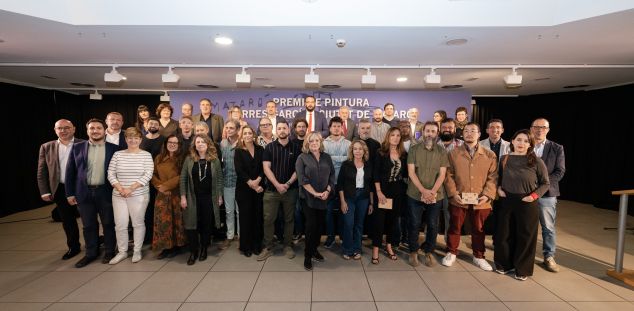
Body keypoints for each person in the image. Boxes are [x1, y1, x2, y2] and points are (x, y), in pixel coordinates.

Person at [495, 129, 550, 281]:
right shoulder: (504, 159)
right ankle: (504, 264)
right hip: (506, 200)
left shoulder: (536, 161)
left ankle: (522, 269)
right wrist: (499, 189)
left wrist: (533, 196)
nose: (522, 143)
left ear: (530, 144)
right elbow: (499, 179)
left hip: (527, 202)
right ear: (512, 141)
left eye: (526, 141)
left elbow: (545, 183)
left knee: (525, 236)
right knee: (504, 234)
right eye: (519, 140)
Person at [442, 122, 498, 271]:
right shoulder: (453, 153)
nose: (469, 133)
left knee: (478, 229)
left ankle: (479, 256)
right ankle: (451, 252)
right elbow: (448, 176)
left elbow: (493, 177)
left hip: (481, 200)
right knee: (455, 227)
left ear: (479, 134)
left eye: (473, 131)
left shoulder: (489, 155)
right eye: (466, 131)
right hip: (459, 198)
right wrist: (453, 194)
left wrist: (487, 195)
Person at [65, 118, 118, 268]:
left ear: (104, 130)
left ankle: (109, 251)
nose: (95, 131)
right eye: (92, 128)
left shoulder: (114, 149)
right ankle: (90, 253)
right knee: (88, 225)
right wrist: (69, 193)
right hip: (84, 193)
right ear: (87, 130)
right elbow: (70, 172)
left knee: (108, 223)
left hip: (106, 192)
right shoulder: (77, 148)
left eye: (98, 128)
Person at [107, 127, 154, 264]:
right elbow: (110, 173)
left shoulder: (146, 155)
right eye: (130, 137)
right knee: (120, 225)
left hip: (139, 195)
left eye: (136, 138)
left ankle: (137, 250)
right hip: (119, 195)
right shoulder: (118, 154)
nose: (133, 140)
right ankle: (122, 252)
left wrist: (131, 189)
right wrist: (121, 188)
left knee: (137, 223)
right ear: (126, 139)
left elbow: (148, 175)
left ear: (140, 139)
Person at [37, 119, 83, 260]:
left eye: (66, 128)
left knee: (89, 218)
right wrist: (44, 191)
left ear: (73, 129)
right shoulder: (47, 147)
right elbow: (42, 171)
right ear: (55, 130)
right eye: (60, 128)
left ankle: (94, 244)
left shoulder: (84, 144)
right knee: (67, 220)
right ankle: (73, 246)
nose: (63, 130)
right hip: (60, 188)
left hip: (81, 187)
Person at [406, 121, 448, 267]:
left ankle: (429, 251)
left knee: (432, 224)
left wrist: (432, 192)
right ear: (423, 132)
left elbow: (442, 175)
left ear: (437, 134)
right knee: (414, 223)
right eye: (427, 131)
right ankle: (413, 251)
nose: (430, 134)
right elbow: (411, 172)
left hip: (436, 195)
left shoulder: (442, 151)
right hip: (415, 194)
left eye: (433, 131)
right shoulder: (414, 149)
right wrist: (424, 191)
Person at [258, 120, 300, 261]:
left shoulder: (296, 147)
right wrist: (277, 185)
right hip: (271, 191)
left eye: (284, 128)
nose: (282, 130)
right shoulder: (269, 147)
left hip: (290, 190)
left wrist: (287, 184)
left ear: (289, 130)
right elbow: (266, 168)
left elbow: (297, 170)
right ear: (277, 131)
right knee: (269, 219)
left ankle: (287, 245)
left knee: (289, 219)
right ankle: (268, 247)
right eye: (279, 128)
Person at [180, 134, 223, 265]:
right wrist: (183, 197)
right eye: (197, 142)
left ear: (208, 144)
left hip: (209, 197)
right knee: (191, 225)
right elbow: (183, 179)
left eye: (203, 142)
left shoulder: (214, 160)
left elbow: (219, 179)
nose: (200, 144)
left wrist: (219, 195)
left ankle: (204, 248)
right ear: (194, 145)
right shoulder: (189, 159)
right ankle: (193, 251)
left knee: (206, 224)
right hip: (192, 197)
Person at [296, 132, 335, 270]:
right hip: (308, 199)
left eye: (316, 140)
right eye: (311, 141)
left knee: (320, 226)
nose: (314, 143)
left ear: (320, 142)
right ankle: (307, 255)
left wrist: (328, 191)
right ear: (307, 143)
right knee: (311, 226)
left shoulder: (327, 157)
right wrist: (316, 193)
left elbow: (332, 176)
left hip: (324, 198)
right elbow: (302, 179)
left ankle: (314, 250)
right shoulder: (302, 158)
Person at [531, 117, 566, 273]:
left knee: (548, 227)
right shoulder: (524, 145)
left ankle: (549, 256)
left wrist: (542, 186)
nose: (540, 130)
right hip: (526, 193)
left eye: (543, 127)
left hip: (547, 194)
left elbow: (560, 171)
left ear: (548, 130)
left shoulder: (557, 148)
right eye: (537, 127)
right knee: (526, 226)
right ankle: (526, 254)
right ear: (531, 128)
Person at [371, 127, 407, 264]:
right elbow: (376, 174)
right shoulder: (380, 152)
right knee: (379, 222)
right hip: (382, 192)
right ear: (388, 136)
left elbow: (405, 174)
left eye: (398, 135)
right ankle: (375, 248)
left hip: (397, 192)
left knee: (392, 222)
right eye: (393, 135)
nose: (396, 138)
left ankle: (389, 246)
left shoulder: (403, 154)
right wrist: (379, 192)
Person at [151, 135, 186, 259]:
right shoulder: (159, 158)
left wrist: (166, 186)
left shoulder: (182, 158)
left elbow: (182, 176)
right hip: (162, 195)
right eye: (170, 142)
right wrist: (160, 187)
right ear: (166, 144)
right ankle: (166, 248)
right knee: (163, 222)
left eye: (175, 143)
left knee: (177, 221)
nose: (172, 144)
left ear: (179, 145)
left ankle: (177, 246)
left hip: (176, 194)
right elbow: (153, 174)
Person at [337, 140, 372, 260]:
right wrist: (342, 201)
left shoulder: (368, 165)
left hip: (363, 197)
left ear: (364, 151)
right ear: (352, 150)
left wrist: (371, 202)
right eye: (355, 149)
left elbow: (370, 185)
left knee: (359, 224)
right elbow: (340, 184)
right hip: (348, 197)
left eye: (360, 149)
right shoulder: (346, 164)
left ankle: (357, 249)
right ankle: (347, 249)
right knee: (348, 223)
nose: (358, 151)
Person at [234, 125, 265, 257]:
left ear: (254, 135)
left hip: (259, 189)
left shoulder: (260, 149)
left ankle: (257, 245)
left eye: (249, 133)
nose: (247, 135)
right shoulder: (239, 151)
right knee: (245, 218)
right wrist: (251, 183)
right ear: (242, 136)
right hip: (244, 190)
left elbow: (264, 167)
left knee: (258, 217)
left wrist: (258, 180)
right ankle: (245, 246)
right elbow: (239, 170)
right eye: (245, 133)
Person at [323, 116, 351, 248]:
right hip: (328, 184)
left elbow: (349, 161)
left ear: (342, 128)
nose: (336, 128)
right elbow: (324, 162)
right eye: (334, 126)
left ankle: (343, 236)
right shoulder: (323, 143)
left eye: (338, 126)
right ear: (329, 128)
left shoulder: (348, 144)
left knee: (343, 211)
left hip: (344, 184)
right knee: (328, 213)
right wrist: (342, 159)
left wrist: (332, 158)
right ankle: (330, 236)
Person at [220, 120, 241, 250]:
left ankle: (240, 236)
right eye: (227, 127)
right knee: (229, 211)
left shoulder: (242, 142)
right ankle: (229, 236)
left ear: (238, 129)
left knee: (240, 211)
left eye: (232, 128)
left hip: (240, 182)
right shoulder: (222, 143)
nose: (229, 130)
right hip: (227, 181)